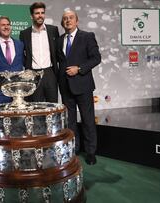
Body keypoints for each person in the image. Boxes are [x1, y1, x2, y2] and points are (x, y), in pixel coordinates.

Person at [57, 10, 101, 165]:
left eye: (70, 18)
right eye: (65, 19)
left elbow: (96, 58)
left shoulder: (87, 37)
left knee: (88, 120)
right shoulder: (59, 39)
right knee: (70, 122)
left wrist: (80, 68)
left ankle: (90, 152)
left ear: (77, 20)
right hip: (65, 87)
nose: (68, 20)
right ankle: (73, 150)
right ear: (62, 23)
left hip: (83, 85)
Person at [19, 2, 59, 103]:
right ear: (32, 16)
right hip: (33, 75)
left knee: (53, 106)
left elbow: (57, 51)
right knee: (36, 106)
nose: (40, 15)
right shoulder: (24, 33)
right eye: (37, 13)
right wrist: (28, 68)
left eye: (42, 12)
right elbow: (21, 54)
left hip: (50, 73)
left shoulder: (53, 30)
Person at [0, 16, 24, 103]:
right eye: (3, 25)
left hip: (18, 92)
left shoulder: (20, 44)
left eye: (8, 25)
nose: (6, 27)